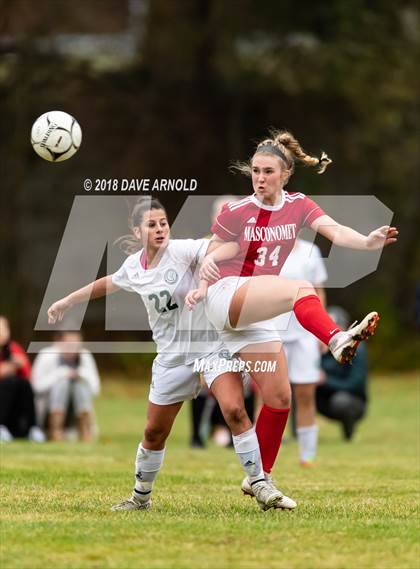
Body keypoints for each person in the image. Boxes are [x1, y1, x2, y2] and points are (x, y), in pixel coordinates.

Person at [185, 129, 397, 499]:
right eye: (255, 171)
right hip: (226, 296)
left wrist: (366, 242)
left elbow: (332, 230)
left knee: (279, 397)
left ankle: (259, 478)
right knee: (300, 287)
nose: (260, 178)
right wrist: (203, 280)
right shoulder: (237, 210)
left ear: (285, 174)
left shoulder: (298, 204)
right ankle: (336, 337)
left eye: (268, 171)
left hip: (256, 309)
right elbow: (215, 249)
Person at [47, 198, 296, 512]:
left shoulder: (184, 250)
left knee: (234, 409)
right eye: (152, 225)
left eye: (163, 223)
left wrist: (223, 249)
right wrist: (66, 302)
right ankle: (140, 497)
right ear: (138, 232)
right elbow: (106, 284)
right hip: (172, 356)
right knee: (154, 431)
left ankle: (260, 484)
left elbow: (228, 245)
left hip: (211, 347)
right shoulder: (134, 267)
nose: (160, 229)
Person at [274, 238, 327, 466]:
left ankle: (308, 455)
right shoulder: (266, 250)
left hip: (305, 334)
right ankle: (263, 459)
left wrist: (322, 330)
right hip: (273, 332)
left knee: (305, 394)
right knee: (269, 396)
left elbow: (319, 292)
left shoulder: (310, 250)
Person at [31, 330, 101, 441]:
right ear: (58, 342)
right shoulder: (46, 355)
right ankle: (55, 430)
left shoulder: (85, 356)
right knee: (62, 383)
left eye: (76, 343)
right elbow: (36, 387)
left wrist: (80, 375)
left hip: (75, 410)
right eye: (68, 343)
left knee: (79, 384)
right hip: (48, 411)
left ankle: (85, 431)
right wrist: (61, 374)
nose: (73, 347)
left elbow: (96, 390)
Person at [317, 306, 369, 440]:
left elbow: (355, 384)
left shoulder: (357, 348)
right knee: (298, 387)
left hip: (352, 401)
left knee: (341, 401)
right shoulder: (316, 348)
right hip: (322, 398)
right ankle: (299, 435)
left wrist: (325, 380)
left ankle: (349, 434)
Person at [0, 315, 45, 442]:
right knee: (9, 382)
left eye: (3, 329)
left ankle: (33, 428)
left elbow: (27, 374)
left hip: (14, 405)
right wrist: (9, 367)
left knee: (23, 384)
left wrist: (13, 367)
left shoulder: (14, 348)